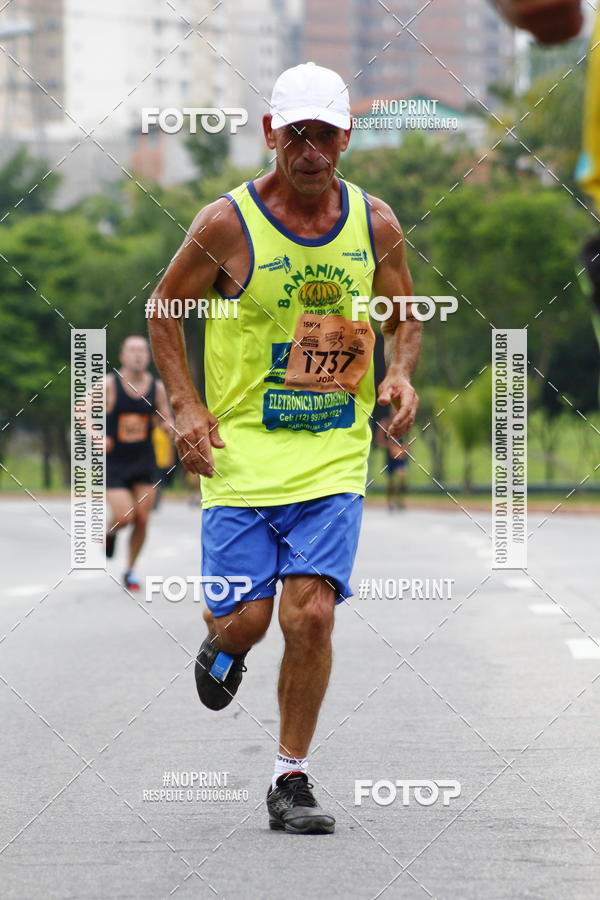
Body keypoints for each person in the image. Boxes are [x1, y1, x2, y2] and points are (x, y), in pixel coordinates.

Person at [147, 62, 421, 834]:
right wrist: (186, 403)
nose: (309, 150)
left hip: (332, 454)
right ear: (270, 133)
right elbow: (164, 310)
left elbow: (407, 316)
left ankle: (290, 778)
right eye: (294, 133)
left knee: (312, 616)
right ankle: (220, 641)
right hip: (239, 455)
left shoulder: (376, 224)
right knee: (250, 621)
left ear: (345, 138)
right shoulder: (225, 224)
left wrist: (400, 377)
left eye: (324, 135)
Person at [105, 335, 172, 589]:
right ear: (123, 356)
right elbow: (81, 409)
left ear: (149, 356)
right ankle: (110, 532)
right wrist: (96, 435)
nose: (138, 355)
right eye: (132, 350)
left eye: (143, 350)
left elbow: (166, 418)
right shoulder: (110, 384)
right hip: (115, 464)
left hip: (144, 462)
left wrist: (170, 428)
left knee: (143, 519)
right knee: (125, 517)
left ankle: (130, 570)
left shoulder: (157, 388)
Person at [376, 416, 409, 511]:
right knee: (391, 481)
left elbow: (409, 440)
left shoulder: (404, 422)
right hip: (390, 457)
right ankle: (390, 501)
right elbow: (379, 441)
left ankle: (400, 499)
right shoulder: (385, 423)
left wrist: (402, 450)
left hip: (400, 457)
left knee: (402, 476)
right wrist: (390, 447)